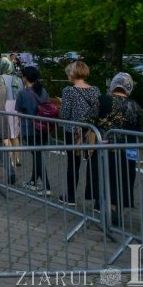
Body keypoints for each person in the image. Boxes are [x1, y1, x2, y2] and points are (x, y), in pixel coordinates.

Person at [89, 73, 143, 224]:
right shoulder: (135, 106)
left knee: (103, 177)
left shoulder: (102, 100)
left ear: (113, 85)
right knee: (123, 179)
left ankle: (104, 207)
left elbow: (89, 121)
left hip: (104, 148)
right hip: (127, 150)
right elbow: (138, 130)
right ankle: (116, 208)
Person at [58, 61, 100, 206]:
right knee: (94, 165)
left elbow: (64, 114)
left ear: (72, 74)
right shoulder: (95, 90)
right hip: (92, 132)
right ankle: (98, 202)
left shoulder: (69, 91)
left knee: (73, 165)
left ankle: (70, 197)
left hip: (73, 131)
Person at [15, 66, 52, 194]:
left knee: (37, 155)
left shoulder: (22, 93)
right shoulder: (43, 91)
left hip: (29, 128)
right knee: (37, 154)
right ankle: (33, 182)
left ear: (25, 78)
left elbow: (18, 110)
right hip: (44, 127)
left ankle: (46, 186)